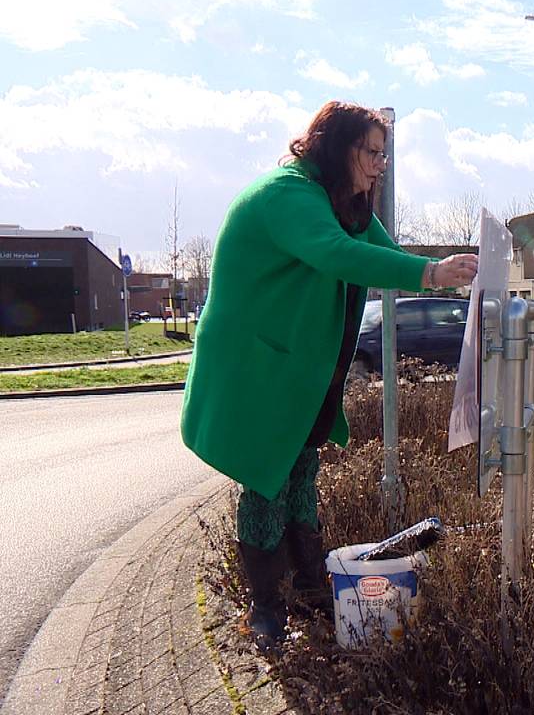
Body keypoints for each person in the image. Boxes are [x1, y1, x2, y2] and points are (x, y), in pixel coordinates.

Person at [180, 101, 478, 653]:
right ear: (338, 147)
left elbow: (381, 253)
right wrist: (430, 272)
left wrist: (445, 272)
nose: (379, 166)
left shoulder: (346, 203)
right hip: (256, 369)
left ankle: (316, 593)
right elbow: (337, 254)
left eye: (384, 156)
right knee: (267, 480)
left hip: (296, 370)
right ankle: (265, 611)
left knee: (301, 477)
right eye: (371, 152)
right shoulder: (288, 195)